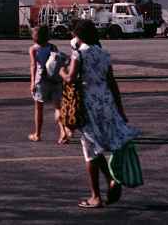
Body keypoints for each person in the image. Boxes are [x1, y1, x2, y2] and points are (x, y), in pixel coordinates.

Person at [60, 19, 139, 209]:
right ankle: (111, 179)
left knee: (89, 149)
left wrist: (61, 71)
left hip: (87, 104)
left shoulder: (79, 54)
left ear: (78, 36)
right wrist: (120, 110)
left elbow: (71, 78)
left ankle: (96, 195)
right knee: (98, 145)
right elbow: (112, 83)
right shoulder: (104, 54)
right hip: (105, 102)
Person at [28, 25, 70, 144]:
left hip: (41, 81)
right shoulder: (53, 47)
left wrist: (32, 83)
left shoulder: (33, 49)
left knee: (39, 108)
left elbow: (33, 66)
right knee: (57, 107)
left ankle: (37, 134)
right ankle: (62, 132)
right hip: (55, 80)